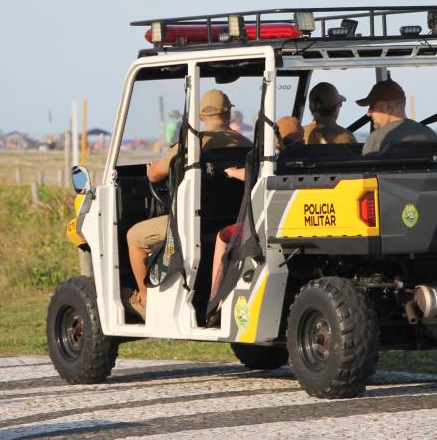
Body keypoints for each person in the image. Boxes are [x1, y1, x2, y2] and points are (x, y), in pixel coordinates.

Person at [124, 89, 252, 321]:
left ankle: (144, 301)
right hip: (233, 220)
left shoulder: (193, 144)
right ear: (228, 113)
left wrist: (151, 169)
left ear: (201, 116)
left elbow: (155, 174)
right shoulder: (246, 144)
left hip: (193, 224)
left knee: (134, 236)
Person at [206, 116, 304, 325]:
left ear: (276, 140)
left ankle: (216, 300)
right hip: (296, 221)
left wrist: (231, 172)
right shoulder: (307, 157)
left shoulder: (276, 162)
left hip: (270, 224)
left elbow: (251, 175)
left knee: (223, 237)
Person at [356, 79, 437, 154]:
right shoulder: (431, 135)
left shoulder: (376, 139)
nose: (369, 113)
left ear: (387, 107)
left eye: (372, 107)